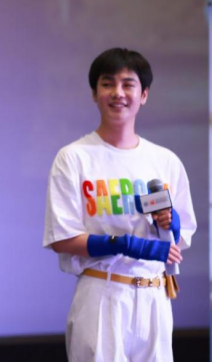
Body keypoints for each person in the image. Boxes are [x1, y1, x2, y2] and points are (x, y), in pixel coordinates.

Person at [43, 48, 196, 361]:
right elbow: (62, 238)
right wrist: (127, 245)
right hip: (103, 294)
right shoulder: (74, 157)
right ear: (94, 93)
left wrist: (170, 223)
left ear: (144, 95)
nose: (118, 93)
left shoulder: (164, 160)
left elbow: (179, 238)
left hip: (155, 297)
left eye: (128, 85)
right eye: (107, 83)